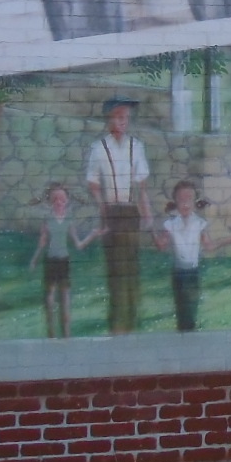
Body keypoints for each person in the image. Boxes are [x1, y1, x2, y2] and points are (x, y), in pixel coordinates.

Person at [83, 97, 153, 333]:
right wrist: (102, 207)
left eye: (126, 117)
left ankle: (132, 320)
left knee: (131, 268)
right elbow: (93, 182)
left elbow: (141, 185)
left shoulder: (137, 146)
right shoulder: (99, 148)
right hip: (112, 211)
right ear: (109, 118)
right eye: (119, 117)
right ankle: (118, 323)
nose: (123, 121)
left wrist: (146, 213)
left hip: (130, 210)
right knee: (115, 269)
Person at [152, 179, 231, 331]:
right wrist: (152, 231)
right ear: (175, 202)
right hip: (178, 273)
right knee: (181, 308)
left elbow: (209, 246)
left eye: (188, 199)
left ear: (194, 202)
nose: (185, 204)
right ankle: (183, 335)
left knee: (192, 307)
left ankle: (190, 334)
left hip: (193, 273)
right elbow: (161, 245)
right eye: (181, 200)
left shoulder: (199, 223)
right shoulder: (171, 224)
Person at [28, 181, 102, 338]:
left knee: (65, 300)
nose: (59, 202)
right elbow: (42, 243)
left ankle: (67, 336)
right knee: (49, 300)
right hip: (50, 261)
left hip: (63, 261)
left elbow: (78, 245)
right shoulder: (47, 220)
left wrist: (92, 235)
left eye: (62, 199)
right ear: (51, 202)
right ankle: (51, 335)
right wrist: (34, 259)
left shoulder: (69, 220)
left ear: (66, 201)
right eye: (55, 199)